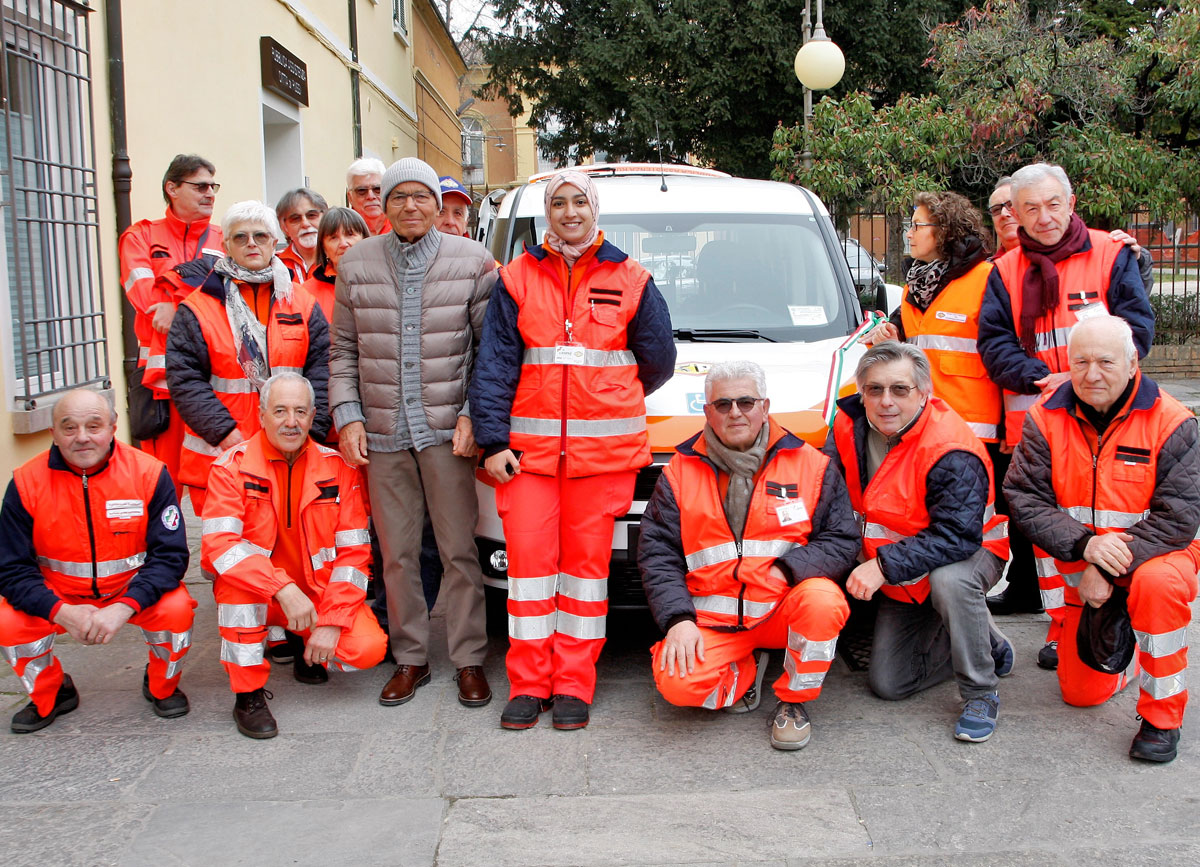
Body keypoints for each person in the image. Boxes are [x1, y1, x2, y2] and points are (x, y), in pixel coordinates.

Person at [470, 168, 676, 731]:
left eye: (578, 201)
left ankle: (573, 687)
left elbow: (658, 360)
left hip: (601, 463)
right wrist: (491, 441)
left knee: (586, 580)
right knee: (531, 577)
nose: (568, 212)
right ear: (546, 212)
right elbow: (494, 367)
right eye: (557, 203)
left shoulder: (632, 277)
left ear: (594, 208)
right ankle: (529, 685)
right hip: (527, 460)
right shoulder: (515, 278)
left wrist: (605, 397)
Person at [330, 157, 495, 710]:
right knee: (397, 553)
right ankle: (411, 658)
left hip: (449, 432)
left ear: (436, 201)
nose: (409, 206)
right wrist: (348, 415)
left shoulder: (473, 262)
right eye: (398, 196)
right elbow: (343, 351)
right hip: (381, 431)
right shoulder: (356, 263)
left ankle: (470, 658)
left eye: (420, 196)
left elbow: (488, 354)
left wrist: (474, 414)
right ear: (383, 204)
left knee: (457, 550)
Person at [978, 162, 1155, 670]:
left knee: (1107, 516)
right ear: (1016, 213)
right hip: (1041, 424)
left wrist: (1081, 379)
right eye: (1031, 208)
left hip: (1110, 419)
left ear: (1071, 204)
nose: (1044, 216)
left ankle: (1112, 610)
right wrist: (1046, 380)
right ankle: (1064, 628)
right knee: (1052, 534)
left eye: (1053, 204)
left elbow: (1136, 333)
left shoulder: (1111, 254)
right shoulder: (1004, 271)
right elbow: (995, 347)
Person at [1005, 315, 1200, 763]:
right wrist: (1085, 547)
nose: (1092, 374)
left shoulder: (1173, 421)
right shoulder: (1044, 417)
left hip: (1158, 553)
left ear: (1134, 363)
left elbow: (1179, 519)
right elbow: (1023, 497)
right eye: (1081, 362)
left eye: (1106, 362)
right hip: (1083, 557)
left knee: (1157, 587)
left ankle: (1162, 717)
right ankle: (1123, 647)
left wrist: (1106, 564)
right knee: (1080, 695)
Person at [638, 361, 856, 750]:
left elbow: (841, 540)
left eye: (745, 401)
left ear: (765, 406)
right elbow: (658, 554)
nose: (734, 412)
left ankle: (794, 703)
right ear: (707, 412)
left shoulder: (812, 465)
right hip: (713, 618)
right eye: (722, 404)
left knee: (824, 601)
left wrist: (788, 571)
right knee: (677, 688)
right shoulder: (678, 472)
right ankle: (747, 670)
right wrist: (677, 621)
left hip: (783, 608)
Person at [864, 192, 1042, 619]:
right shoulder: (916, 286)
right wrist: (892, 338)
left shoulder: (985, 277)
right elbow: (916, 349)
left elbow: (1004, 346)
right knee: (941, 514)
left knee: (1006, 514)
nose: (908, 232)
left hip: (981, 430)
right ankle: (940, 592)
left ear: (943, 230)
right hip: (927, 427)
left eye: (918, 224)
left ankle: (1024, 590)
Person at [824, 342, 1013, 742]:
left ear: (924, 392)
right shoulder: (845, 425)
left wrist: (881, 567)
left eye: (900, 389)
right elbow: (825, 496)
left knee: (951, 582)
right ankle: (985, 641)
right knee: (891, 684)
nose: (886, 401)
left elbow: (958, 537)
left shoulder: (949, 447)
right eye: (874, 390)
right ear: (861, 392)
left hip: (969, 554)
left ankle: (980, 691)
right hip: (905, 572)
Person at [202, 373, 386, 738]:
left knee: (368, 649)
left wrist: (332, 622)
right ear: (261, 415)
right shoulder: (230, 467)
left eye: (300, 412)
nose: (291, 422)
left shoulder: (338, 468)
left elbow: (354, 554)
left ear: (313, 415)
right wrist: (282, 589)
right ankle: (248, 694)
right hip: (260, 592)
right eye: (281, 411)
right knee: (236, 596)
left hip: (316, 594)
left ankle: (306, 644)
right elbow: (219, 547)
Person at [0, 390, 194, 732]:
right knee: (8, 623)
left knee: (177, 609)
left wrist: (124, 607)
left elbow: (171, 555)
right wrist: (62, 612)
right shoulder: (26, 483)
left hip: (131, 591)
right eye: (69, 427)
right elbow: (11, 569)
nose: (82, 437)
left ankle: (161, 685)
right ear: (53, 434)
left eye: (94, 425)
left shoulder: (149, 473)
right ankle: (52, 693)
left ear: (113, 428)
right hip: (58, 595)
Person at [165, 201, 330, 513]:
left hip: (291, 452)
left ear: (274, 242)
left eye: (260, 236)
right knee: (227, 552)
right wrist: (227, 435)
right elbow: (185, 381)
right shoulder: (197, 308)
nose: (251, 243)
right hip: (223, 456)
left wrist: (310, 431)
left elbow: (323, 371)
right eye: (241, 237)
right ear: (225, 244)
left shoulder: (303, 304)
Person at [118, 154, 224, 495]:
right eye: (200, 185)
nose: (210, 193)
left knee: (217, 483)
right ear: (172, 188)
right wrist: (190, 289)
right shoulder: (141, 235)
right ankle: (166, 549)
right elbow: (143, 295)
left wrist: (172, 295)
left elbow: (225, 295)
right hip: (159, 383)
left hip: (213, 377)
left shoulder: (227, 238)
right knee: (159, 485)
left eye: (213, 186)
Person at [276, 188, 329, 283]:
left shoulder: (338, 260)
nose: (305, 224)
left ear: (325, 218)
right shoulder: (275, 263)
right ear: (284, 227)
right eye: (295, 219)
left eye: (312, 215)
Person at [345, 157, 389, 236]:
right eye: (362, 190)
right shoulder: (340, 232)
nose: (370, 196)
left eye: (377, 189)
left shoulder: (401, 227)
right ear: (350, 197)